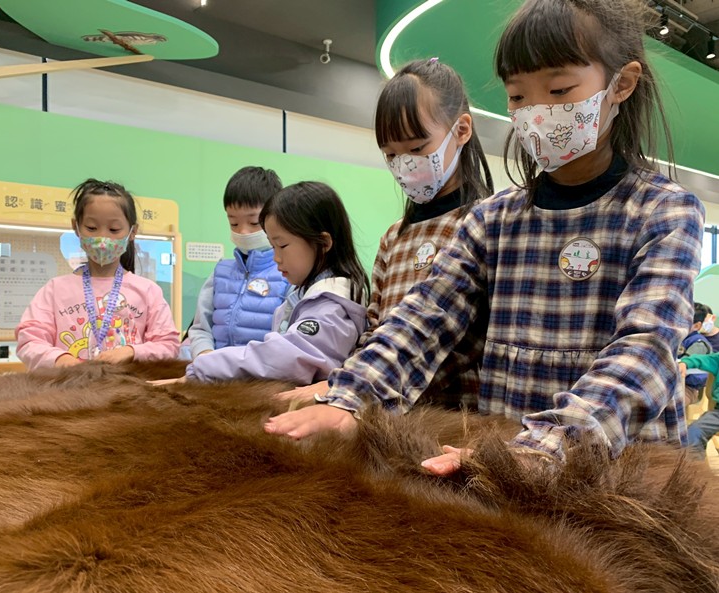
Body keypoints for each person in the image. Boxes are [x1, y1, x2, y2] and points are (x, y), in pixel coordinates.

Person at [266, 0, 704, 473]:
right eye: (517, 97)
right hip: (498, 461)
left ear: (621, 83)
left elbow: (645, 349)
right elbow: (425, 317)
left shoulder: (663, 210)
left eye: (558, 89)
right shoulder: (493, 220)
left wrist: (547, 446)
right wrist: (351, 398)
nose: (537, 112)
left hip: (620, 474)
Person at [274, 58, 493, 410]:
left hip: (453, 415)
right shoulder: (394, 236)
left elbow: (465, 340)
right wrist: (345, 382)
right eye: (391, 154)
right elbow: (373, 328)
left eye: (418, 148)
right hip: (380, 408)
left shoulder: (483, 223)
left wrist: (368, 388)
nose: (405, 163)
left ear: (462, 130)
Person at [158, 181, 369, 385]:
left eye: (282, 245)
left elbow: (287, 357)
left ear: (323, 243)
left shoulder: (330, 304)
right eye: (233, 223)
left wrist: (208, 366)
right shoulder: (304, 292)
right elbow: (201, 327)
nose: (276, 257)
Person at [16, 179, 179, 370]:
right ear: (75, 227)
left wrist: (131, 352)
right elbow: (29, 340)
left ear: (132, 232)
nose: (103, 239)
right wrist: (61, 360)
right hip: (70, 391)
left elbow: (169, 344)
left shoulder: (148, 291)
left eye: (114, 229)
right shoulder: (54, 290)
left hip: (129, 393)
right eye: (92, 228)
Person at [180, 166, 288, 360]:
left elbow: (286, 341)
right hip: (215, 374)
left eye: (254, 222)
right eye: (234, 223)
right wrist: (205, 356)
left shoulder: (287, 274)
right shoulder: (221, 271)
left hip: (262, 377)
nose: (243, 232)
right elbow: (200, 328)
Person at [679, 302, 712, 405]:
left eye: (682, 322)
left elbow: (683, 367)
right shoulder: (677, 338)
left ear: (697, 326)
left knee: (661, 403)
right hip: (671, 385)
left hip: (687, 388)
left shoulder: (699, 343)